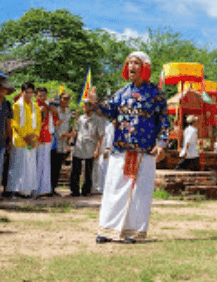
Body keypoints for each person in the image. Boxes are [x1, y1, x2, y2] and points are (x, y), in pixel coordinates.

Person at [95, 51, 170, 243]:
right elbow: (108, 110)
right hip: (120, 149)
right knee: (113, 188)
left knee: (139, 192)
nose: (131, 66)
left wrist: (161, 144)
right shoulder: (121, 93)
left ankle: (132, 231)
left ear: (144, 68)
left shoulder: (156, 95)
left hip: (144, 150)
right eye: (129, 63)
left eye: (136, 63)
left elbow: (164, 122)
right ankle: (107, 230)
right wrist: (94, 102)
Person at [9, 82, 40, 198]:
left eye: (31, 92)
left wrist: (33, 136)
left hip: (32, 140)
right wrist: (25, 136)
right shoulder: (16, 106)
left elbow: (38, 124)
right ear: (22, 92)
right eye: (26, 92)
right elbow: (14, 123)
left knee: (30, 166)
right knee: (17, 165)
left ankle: (27, 191)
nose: (29, 95)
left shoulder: (35, 107)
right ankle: (15, 191)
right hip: (20, 140)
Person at [70, 101, 103, 197]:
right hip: (79, 145)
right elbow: (77, 132)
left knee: (88, 170)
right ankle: (74, 190)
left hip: (90, 146)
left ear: (91, 107)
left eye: (86, 105)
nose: (84, 107)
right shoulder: (80, 118)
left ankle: (86, 190)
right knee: (76, 169)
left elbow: (100, 136)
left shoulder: (98, 120)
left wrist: (97, 150)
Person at [50, 93, 74, 196]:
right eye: (64, 98)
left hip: (63, 143)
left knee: (58, 166)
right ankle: (49, 188)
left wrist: (69, 136)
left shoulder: (68, 112)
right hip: (54, 141)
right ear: (60, 99)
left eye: (68, 99)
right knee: (52, 165)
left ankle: (53, 188)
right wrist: (60, 134)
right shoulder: (55, 110)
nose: (66, 101)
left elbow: (68, 126)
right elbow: (52, 125)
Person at [35, 87, 55, 196]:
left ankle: (44, 189)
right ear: (36, 96)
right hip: (37, 138)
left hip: (47, 137)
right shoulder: (35, 106)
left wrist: (54, 112)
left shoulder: (48, 106)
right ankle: (35, 189)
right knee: (37, 163)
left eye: (44, 95)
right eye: (40, 95)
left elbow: (56, 121)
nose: (43, 97)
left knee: (45, 163)